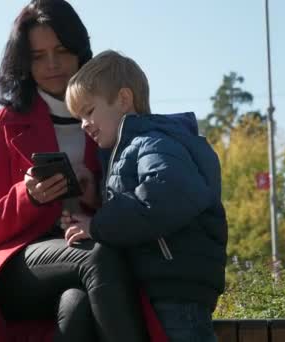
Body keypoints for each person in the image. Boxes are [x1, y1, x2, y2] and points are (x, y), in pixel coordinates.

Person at [0, 2, 166, 342]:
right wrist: (28, 194)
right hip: (20, 269)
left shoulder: (114, 113)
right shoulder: (4, 124)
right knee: (97, 256)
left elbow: (145, 200)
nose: (51, 64)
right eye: (37, 56)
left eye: (61, 51)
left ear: (80, 52)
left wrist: (97, 200)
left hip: (93, 267)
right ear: (24, 63)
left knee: (76, 305)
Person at [63, 50, 228, 341]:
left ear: (124, 100)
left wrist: (96, 226)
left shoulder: (153, 142)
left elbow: (163, 197)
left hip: (177, 288)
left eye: (89, 111)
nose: (84, 124)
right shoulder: (135, 148)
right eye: (79, 118)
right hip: (167, 285)